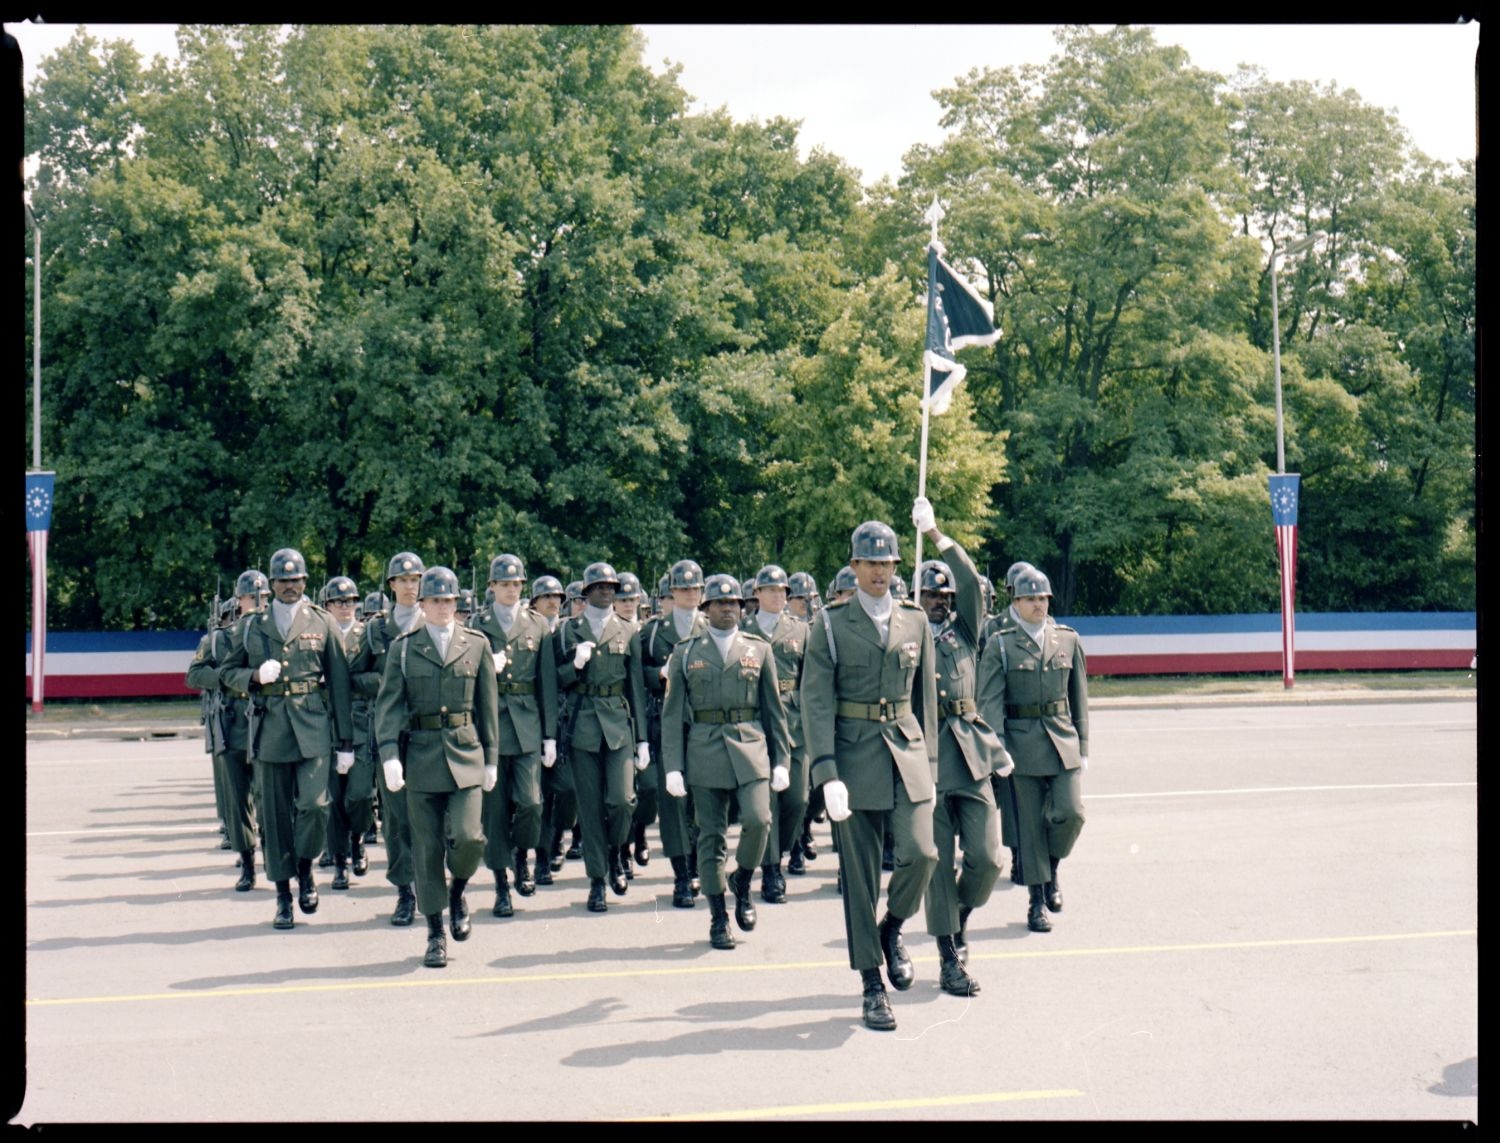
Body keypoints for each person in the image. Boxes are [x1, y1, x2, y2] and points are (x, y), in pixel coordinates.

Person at [801, 521, 939, 1031]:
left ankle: (893, 928)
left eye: (887, 563)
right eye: (870, 563)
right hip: (853, 758)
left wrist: (932, 769)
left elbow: (925, 701)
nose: (879, 571)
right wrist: (826, 772)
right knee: (859, 880)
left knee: (923, 853)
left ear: (895, 568)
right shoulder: (831, 623)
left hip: (906, 752)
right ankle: (871, 985)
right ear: (854, 567)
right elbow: (815, 702)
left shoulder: (915, 620)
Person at [218, 548, 354, 930]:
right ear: (272, 584)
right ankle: (282, 896)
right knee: (274, 819)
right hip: (270, 729)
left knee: (314, 805)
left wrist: (345, 742)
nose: (290, 586)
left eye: (296, 580)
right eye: (282, 580)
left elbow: (340, 685)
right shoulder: (252, 625)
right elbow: (226, 673)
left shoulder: (323, 623)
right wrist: (255, 677)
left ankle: (306, 868)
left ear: (305, 582)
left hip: (313, 728)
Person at [911, 497, 1014, 996]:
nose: (940, 600)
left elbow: (972, 582)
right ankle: (949, 957)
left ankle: (962, 916)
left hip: (970, 756)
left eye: (944, 595)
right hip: (925, 763)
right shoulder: (905, 635)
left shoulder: (966, 634)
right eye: (931, 594)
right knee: (935, 862)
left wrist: (935, 535)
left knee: (989, 858)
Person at [372, 566, 499, 968]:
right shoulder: (404, 648)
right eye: (435, 600)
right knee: (426, 850)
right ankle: (435, 933)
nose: (443, 607)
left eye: (449, 600)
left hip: (465, 753)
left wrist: (492, 758)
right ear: (422, 604)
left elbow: (487, 708)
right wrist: (389, 752)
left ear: (457, 604)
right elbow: (388, 705)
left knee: (470, 838)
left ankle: (458, 890)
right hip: (422, 756)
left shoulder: (476, 644)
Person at [662, 574, 790, 950]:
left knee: (759, 819)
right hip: (704, 749)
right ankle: (718, 917)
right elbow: (672, 716)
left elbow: (774, 709)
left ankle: (744, 881)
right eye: (720, 603)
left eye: (734, 603)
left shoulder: (758, 649)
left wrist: (782, 758)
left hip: (750, 746)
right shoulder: (685, 652)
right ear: (706, 609)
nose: (728, 609)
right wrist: (673, 766)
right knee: (711, 836)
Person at [977, 566, 1088, 934]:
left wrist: (1083, 745)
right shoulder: (1001, 644)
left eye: (1043, 598)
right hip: (1021, 748)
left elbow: (1079, 698)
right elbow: (989, 701)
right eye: (1031, 599)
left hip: (1061, 742)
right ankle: (1037, 901)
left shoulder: (1067, 640)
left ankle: (1052, 869)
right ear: (1017, 602)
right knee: (1029, 829)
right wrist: (998, 749)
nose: (1039, 605)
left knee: (1071, 814)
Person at [554, 562, 650, 913]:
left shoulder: (629, 630)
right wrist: (573, 667)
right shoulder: (568, 631)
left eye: (612, 586)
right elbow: (555, 681)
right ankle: (597, 880)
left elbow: (636, 687)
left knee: (623, 801)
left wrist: (641, 740)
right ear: (587, 592)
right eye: (600, 586)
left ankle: (615, 852)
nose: (608, 591)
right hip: (582, 723)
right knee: (590, 809)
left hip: (618, 722)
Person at [470, 554, 558, 918]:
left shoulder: (536, 625)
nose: (510, 589)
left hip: (525, 721)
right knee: (493, 811)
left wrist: (549, 734)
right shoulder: (478, 624)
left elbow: (547, 683)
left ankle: (523, 854)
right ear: (491, 587)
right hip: (490, 723)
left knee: (531, 803)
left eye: (516, 584)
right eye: (503, 583)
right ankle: (501, 884)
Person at [353, 551, 428, 926]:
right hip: (391, 736)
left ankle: (432, 885)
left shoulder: (437, 623)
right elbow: (354, 676)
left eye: (416, 579)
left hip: (433, 734)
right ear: (392, 585)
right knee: (397, 818)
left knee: (434, 816)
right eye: (404, 580)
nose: (411, 586)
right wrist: (384, 685)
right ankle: (404, 890)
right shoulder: (376, 631)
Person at [636, 558, 709, 908]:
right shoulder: (653, 631)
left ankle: (697, 863)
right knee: (671, 802)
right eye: (683, 588)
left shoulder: (711, 627)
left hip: (703, 725)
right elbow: (638, 676)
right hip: (665, 721)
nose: (689, 594)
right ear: (672, 592)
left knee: (699, 799)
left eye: (695, 588)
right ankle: (681, 873)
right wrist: (659, 675)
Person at [185, 578, 260, 891]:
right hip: (231, 724)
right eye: (250, 596)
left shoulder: (272, 635)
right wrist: (230, 678)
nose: (256, 601)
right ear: (238, 600)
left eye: (261, 596)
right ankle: (247, 861)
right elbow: (194, 675)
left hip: (265, 722)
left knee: (270, 797)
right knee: (237, 799)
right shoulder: (217, 640)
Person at [742, 564, 809, 904]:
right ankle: (771, 871)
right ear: (757, 594)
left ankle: (776, 853)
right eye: (770, 590)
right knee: (766, 804)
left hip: (794, 722)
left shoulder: (800, 630)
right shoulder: (744, 629)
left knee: (797, 799)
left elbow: (810, 679)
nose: (778, 595)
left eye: (783, 590)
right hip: (757, 723)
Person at [321, 575, 375, 891]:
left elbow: (376, 676)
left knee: (359, 794)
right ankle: (340, 862)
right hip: (327, 725)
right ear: (327, 606)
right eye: (339, 602)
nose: (345, 607)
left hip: (359, 723)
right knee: (332, 798)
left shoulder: (366, 634)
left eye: (350, 601)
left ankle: (358, 837)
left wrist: (348, 681)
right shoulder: (318, 636)